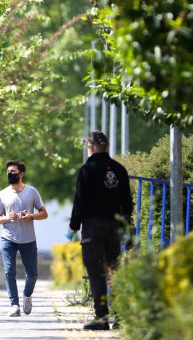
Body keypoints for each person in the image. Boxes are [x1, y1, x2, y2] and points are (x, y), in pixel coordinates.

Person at [67, 130, 133, 331]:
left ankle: (101, 318)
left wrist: (73, 226)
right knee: (115, 270)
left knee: (96, 273)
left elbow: (80, 200)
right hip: (115, 226)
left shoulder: (88, 169)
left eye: (88, 146)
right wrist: (125, 224)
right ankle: (120, 316)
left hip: (93, 227)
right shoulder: (119, 169)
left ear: (92, 147)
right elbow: (127, 202)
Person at [0, 160, 48, 317]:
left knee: (32, 274)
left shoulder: (32, 192)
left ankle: (27, 295)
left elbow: (44, 214)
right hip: (8, 238)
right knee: (9, 271)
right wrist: (7, 218)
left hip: (28, 239)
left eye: (13, 171)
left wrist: (31, 216)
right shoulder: (2, 194)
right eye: (8, 171)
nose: (10, 174)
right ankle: (14, 305)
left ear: (21, 174)